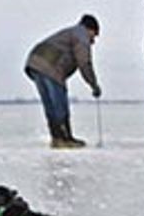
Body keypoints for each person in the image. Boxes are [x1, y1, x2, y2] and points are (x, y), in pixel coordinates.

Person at [24, 14, 102, 149]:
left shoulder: (71, 32)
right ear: (91, 29)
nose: (93, 40)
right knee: (59, 103)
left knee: (50, 105)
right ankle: (65, 139)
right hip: (50, 67)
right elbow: (84, 63)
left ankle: (57, 138)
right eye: (94, 36)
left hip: (35, 63)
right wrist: (94, 85)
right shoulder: (81, 35)